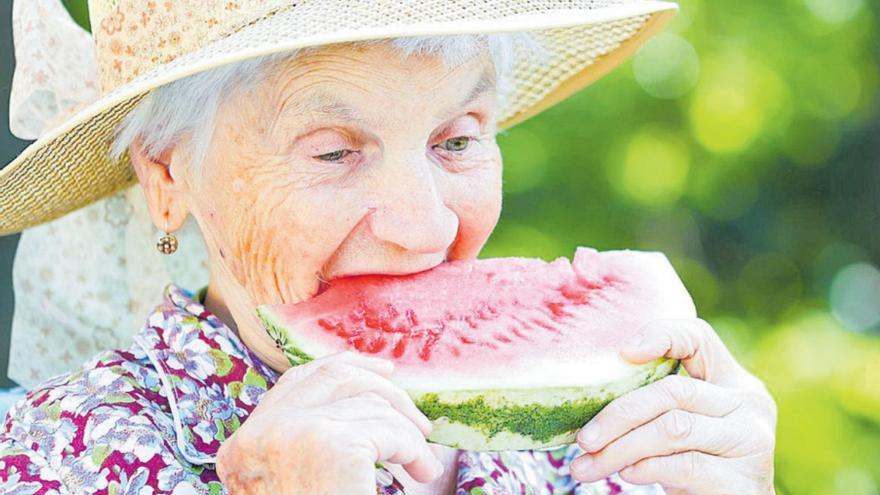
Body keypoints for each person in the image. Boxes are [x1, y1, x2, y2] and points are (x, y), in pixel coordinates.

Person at [0, 0, 777, 493]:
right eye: (334, 152)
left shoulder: (610, 442)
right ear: (169, 177)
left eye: (458, 139)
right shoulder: (51, 458)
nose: (427, 226)